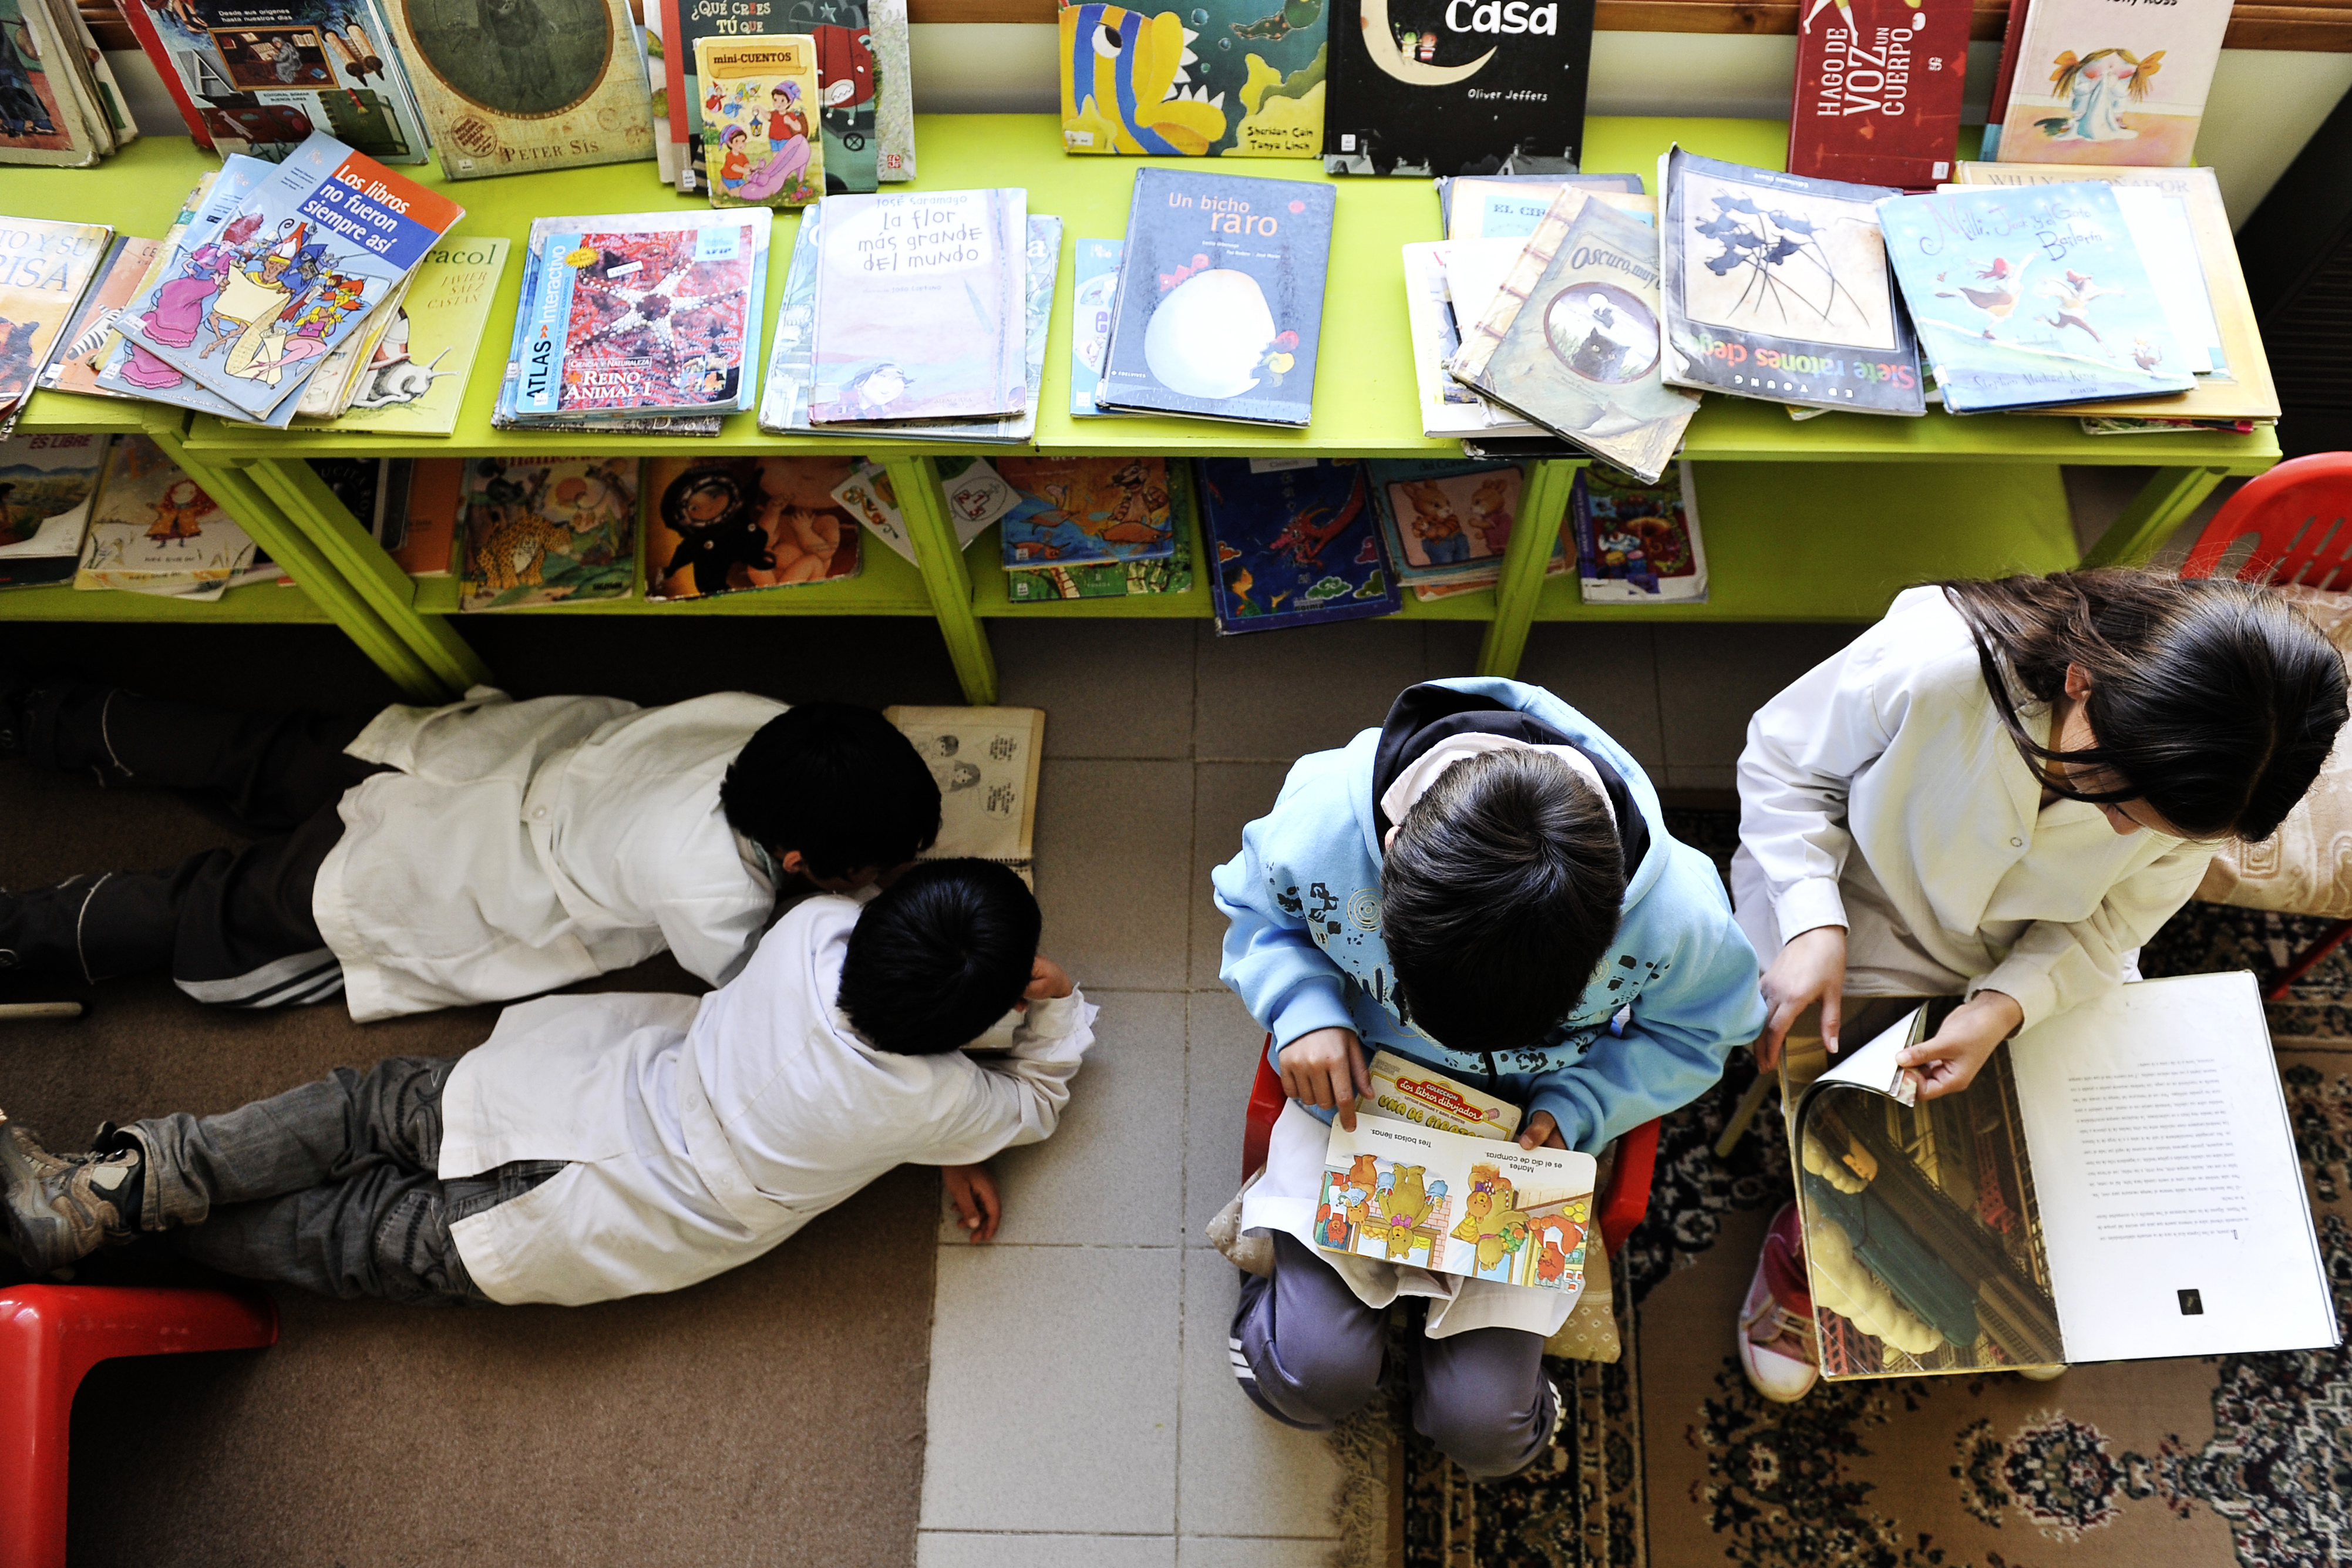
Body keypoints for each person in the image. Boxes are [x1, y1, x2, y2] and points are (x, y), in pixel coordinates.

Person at [1730, 570, 2348, 1402]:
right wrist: (1811, 921)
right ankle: (1804, 1253)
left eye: (2155, 829)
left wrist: (2002, 1006)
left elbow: (2108, 926)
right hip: (1863, 905)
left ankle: (2025, 1272)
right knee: (1849, 1112)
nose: (2123, 830)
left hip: (2039, 953)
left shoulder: (2202, 785)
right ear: (2080, 679)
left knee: (2072, 1142)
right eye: (2115, 800)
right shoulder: (1935, 662)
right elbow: (1782, 765)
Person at [0, 859, 1092, 1303]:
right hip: (625, 1212)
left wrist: (950, 1122)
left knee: (362, 1106)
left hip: (585, 1092)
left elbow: (931, 1082)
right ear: (964, 1025)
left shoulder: (814, 929)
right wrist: (1050, 1005)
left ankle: (109, 1195)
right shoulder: (926, 1099)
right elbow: (1031, 1102)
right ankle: (125, 1240)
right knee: (358, 1239)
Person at [1212, 678, 1768, 1477]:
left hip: (1527, 1129)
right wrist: (1302, 1008)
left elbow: (1703, 1029)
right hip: (1357, 1088)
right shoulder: (1323, 816)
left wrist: (1582, 1101)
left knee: (1485, 1430)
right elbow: (1257, 909)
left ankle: (1465, 1380)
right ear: (1393, 856)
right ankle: (1312, 1326)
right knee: (1308, 1378)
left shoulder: (1678, 914)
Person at [0, 685, 941, 1020]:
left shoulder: (765, 722)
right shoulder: (710, 893)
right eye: (857, 871)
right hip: (446, 872)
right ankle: (24, 938)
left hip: (470, 759)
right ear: (794, 866)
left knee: (251, 749)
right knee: (221, 904)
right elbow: (753, 981)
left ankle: (44, 714)